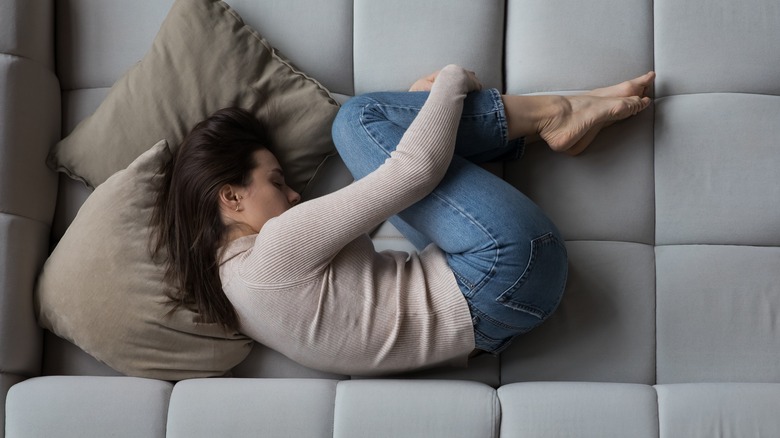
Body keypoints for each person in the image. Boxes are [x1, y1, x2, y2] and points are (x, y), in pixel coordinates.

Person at [152, 65, 654, 375]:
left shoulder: (232, 290)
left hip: (491, 325)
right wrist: (454, 80)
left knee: (384, 138)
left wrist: (420, 121)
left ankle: (561, 114)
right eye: (276, 181)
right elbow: (413, 173)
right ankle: (558, 110)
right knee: (358, 121)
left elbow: (373, 202)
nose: (294, 192)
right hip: (508, 266)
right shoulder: (278, 245)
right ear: (231, 198)